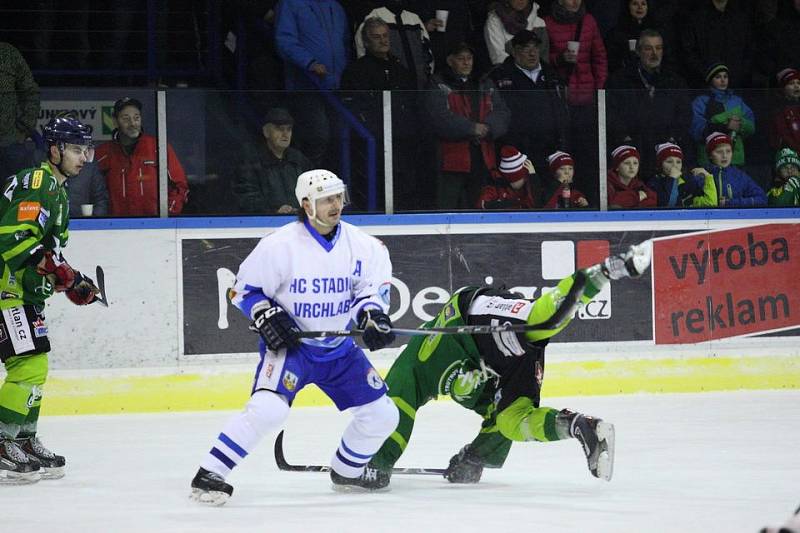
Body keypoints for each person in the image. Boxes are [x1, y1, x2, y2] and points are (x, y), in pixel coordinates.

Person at [345, 240, 654, 490]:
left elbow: (397, 404)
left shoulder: (416, 361)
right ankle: (579, 426)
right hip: (508, 363)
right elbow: (497, 425)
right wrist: (474, 458)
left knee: (541, 321)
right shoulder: (463, 387)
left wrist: (376, 463)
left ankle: (604, 271)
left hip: (466, 318)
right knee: (511, 419)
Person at [190, 169, 399, 505]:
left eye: (338, 197)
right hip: (292, 349)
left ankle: (347, 470)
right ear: (306, 204)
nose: (335, 205)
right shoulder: (279, 246)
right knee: (269, 409)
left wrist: (372, 316)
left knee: (384, 415)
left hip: (340, 351)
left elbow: (370, 293)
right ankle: (210, 473)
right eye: (326, 199)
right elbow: (242, 290)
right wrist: (264, 312)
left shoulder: (366, 246)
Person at [0, 116, 100, 483]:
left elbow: (46, 253)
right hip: (7, 291)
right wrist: (61, 273)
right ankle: (2, 440)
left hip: (25, 294)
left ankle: (23, 441)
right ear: (54, 149)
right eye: (75, 149)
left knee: (36, 367)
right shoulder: (38, 181)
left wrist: (71, 280)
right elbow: (13, 238)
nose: (84, 157)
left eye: (86, 149)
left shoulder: (56, 191)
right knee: (27, 367)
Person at [426, 42, 510, 209]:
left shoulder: (485, 82)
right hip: (451, 160)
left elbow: (503, 112)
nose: (466, 62)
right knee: (447, 208)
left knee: (479, 206)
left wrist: (488, 127)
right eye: (461, 58)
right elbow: (439, 117)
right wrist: (471, 128)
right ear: (450, 61)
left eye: (469, 58)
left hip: (483, 158)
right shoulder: (438, 84)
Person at [605, 29, 690, 178]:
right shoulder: (619, 80)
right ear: (638, 51)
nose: (654, 53)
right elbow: (611, 113)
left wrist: (673, 138)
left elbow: (685, 114)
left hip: (665, 153)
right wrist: (625, 138)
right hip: (632, 153)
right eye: (648, 48)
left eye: (658, 48)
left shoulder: (675, 80)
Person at [94, 97, 189, 216]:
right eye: (126, 118)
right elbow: (92, 192)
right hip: (115, 228)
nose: (132, 123)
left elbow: (180, 186)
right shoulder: (102, 153)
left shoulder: (158, 147)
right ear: (114, 121)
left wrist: (167, 214)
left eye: (136, 118)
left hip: (155, 226)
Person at [489, 30, 569, 173]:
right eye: (526, 48)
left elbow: (561, 109)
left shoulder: (552, 75)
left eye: (535, 48)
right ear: (514, 51)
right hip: (517, 151)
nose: (532, 53)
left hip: (550, 147)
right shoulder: (499, 76)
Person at [233, 108, 312, 214]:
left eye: (289, 129)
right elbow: (246, 198)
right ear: (266, 132)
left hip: (299, 222)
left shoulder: (299, 160)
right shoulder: (251, 161)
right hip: (264, 225)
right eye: (279, 129)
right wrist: (274, 211)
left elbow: (313, 191)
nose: (285, 134)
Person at [354, 1, 433, 89]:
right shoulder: (373, 15)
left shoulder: (414, 19)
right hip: (387, 87)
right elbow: (362, 51)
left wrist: (426, 79)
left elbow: (428, 54)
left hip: (421, 87)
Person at [690, 63, 755, 168]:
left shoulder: (737, 101)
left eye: (725, 76)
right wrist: (725, 126)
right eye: (718, 77)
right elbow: (696, 130)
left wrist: (740, 124)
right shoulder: (701, 101)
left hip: (735, 159)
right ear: (710, 80)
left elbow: (751, 126)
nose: (723, 80)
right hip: (709, 160)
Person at [679, 0, 754, 88]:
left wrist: (738, 76)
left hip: (738, 86)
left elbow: (750, 50)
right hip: (703, 88)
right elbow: (688, 52)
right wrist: (708, 75)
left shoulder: (742, 17)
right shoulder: (694, 16)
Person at [0, 42, 40, 181]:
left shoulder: (8, 53)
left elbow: (30, 91)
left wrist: (25, 126)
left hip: (10, 143)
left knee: (20, 197)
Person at [703, 131, 767, 207]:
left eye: (728, 151)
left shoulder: (739, 176)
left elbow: (762, 199)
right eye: (719, 151)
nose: (724, 156)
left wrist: (731, 203)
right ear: (710, 155)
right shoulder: (702, 174)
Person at [646, 142, 716, 207]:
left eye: (678, 162)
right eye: (669, 161)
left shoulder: (688, 182)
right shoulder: (654, 184)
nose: (675, 165)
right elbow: (668, 206)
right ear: (660, 164)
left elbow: (710, 203)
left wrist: (708, 177)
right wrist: (672, 179)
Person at [484, 0, 549, 66]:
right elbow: (498, 57)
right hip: (508, 73)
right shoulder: (494, 21)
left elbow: (544, 57)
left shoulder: (539, 23)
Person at [769, 67, 800, 155]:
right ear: (783, 88)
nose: (796, 86)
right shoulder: (778, 111)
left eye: (798, 83)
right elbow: (782, 138)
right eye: (791, 83)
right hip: (789, 160)